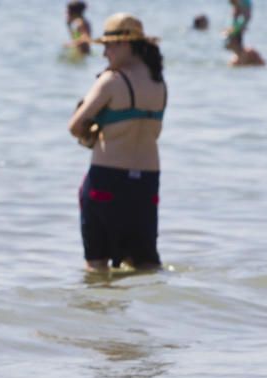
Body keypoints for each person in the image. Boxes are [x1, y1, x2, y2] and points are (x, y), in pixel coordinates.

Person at [68, 13, 166, 272]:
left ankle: (99, 313)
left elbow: (75, 125)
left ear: (126, 44)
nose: (105, 54)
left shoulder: (111, 81)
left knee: (97, 268)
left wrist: (91, 133)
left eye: (108, 46)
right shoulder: (160, 84)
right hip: (146, 185)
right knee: (145, 267)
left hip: (106, 181)